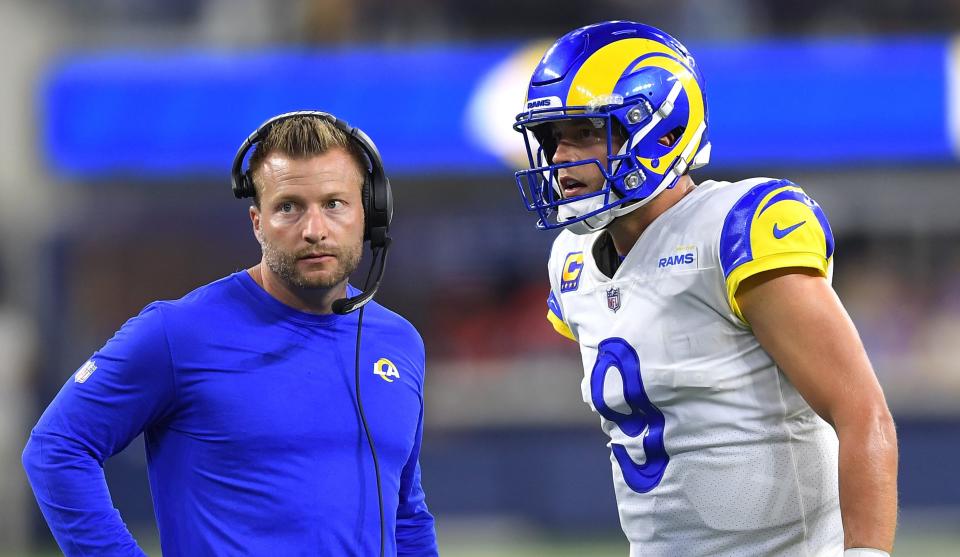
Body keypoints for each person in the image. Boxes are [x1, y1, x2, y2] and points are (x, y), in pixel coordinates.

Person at [512, 21, 897, 557]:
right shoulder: (572, 260)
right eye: (554, 138)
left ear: (664, 132)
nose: (558, 158)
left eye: (584, 132)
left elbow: (862, 413)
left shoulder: (735, 230)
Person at [22, 112, 438, 556]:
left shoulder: (399, 342)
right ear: (257, 222)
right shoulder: (177, 333)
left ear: (370, 212)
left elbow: (406, 515)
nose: (314, 229)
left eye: (334, 203)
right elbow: (56, 449)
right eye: (289, 207)